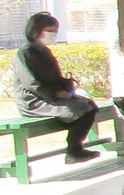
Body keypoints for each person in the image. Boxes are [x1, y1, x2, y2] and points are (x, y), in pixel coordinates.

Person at [12, 12, 100, 164]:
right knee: (80, 109)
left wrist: (66, 88)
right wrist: (56, 94)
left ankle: (76, 147)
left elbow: (55, 78)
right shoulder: (25, 53)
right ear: (37, 30)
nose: (53, 34)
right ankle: (73, 150)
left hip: (53, 97)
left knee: (89, 105)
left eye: (55, 30)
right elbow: (32, 84)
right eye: (49, 30)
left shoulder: (44, 51)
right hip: (34, 101)